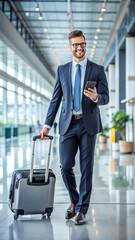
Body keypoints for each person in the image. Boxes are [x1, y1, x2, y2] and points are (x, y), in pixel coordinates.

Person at [39, 30, 109, 225]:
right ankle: (75, 199)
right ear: (70, 47)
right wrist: (46, 125)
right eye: (76, 44)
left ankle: (81, 210)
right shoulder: (62, 70)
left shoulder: (97, 69)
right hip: (67, 124)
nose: (79, 47)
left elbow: (106, 97)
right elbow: (56, 99)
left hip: (88, 124)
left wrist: (96, 97)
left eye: (82, 44)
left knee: (86, 168)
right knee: (65, 166)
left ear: (85, 45)